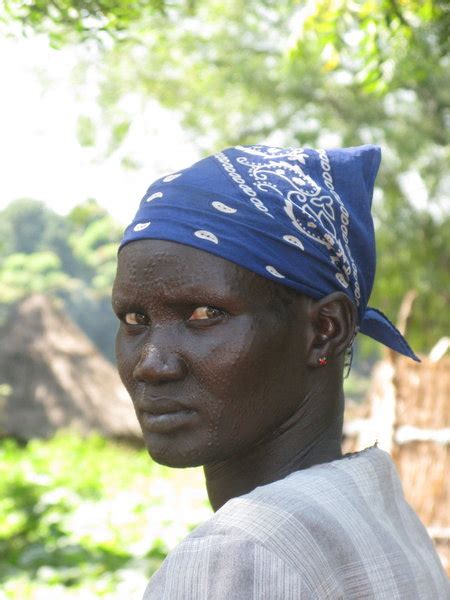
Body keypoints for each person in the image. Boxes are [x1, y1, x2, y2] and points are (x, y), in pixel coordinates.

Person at [112, 144, 449, 599]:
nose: (152, 363)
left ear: (325, 330)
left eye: (204, 313)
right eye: (135, 320)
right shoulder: (380, 516)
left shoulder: (243, 553)